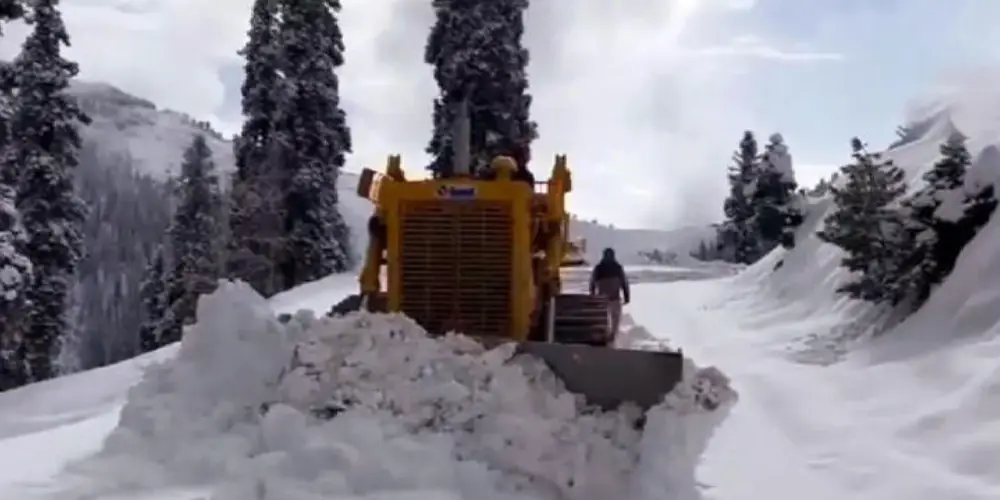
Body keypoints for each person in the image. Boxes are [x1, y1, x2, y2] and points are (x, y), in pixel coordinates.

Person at [589, 247, 630, 336]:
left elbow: (592, 282)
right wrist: (627, 297)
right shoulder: (618, 268)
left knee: (602, 319)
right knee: (615, 319)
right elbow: (624, 283)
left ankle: (603, 334)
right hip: (615, 298)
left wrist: (592, 296)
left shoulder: (599, 268)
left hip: (601, 299)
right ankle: (612, 335)